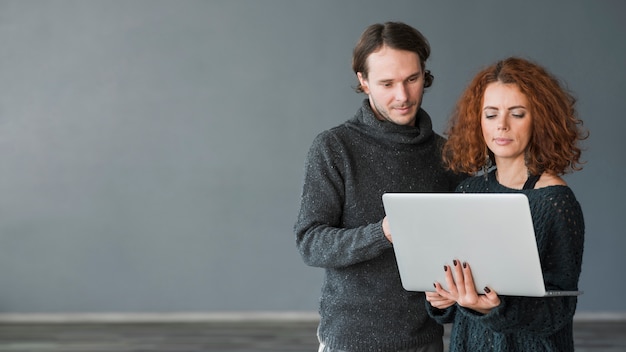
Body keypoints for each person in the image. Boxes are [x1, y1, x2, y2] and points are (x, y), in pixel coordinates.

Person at [294, 22, 465, 352]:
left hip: (425, 341)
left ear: (424, 74)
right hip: (348, 341)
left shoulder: (448, 156)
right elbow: (310, 242)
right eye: (387, 83)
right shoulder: (334, 147)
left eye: (412, 80)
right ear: (364, 81)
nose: (403, 96)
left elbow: (461, 252)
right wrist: (383, 232)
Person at [425, 57, 588, 351]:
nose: (501, 125)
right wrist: (443, 298)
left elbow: (559, 310)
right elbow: (454, 303)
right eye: (490, 114)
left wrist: (492, 308)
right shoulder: (468, 191)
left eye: (517, 113)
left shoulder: (555, 202)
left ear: (539, 120)